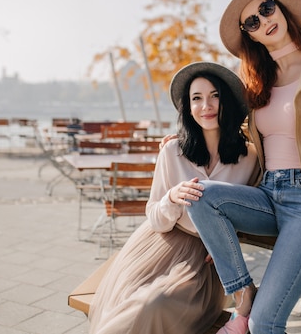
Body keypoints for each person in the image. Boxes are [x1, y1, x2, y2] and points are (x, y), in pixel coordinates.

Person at [185, 0, 301, 334]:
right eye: (253, 21)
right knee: (200, 195)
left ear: (280, 9)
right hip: (268, 193)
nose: (265, 21)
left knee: (265, 323)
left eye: (267, 9)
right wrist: (176, 139)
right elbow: (224, 129)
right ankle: (242, 292)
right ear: (249, 35)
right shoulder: (253, 81)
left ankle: (253, 311)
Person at [87, 62, 258, 334]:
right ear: (188, 108)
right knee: (136, 306)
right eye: (197, 98)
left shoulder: (250, 158)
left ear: (227, 101)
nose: (207, 106)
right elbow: (154, 215)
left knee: (156, 305)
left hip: (204, 260)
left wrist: (228, 237)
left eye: (215, 96)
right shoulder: (173, 151)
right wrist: (172, 197)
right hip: (159, 246)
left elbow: (252, 209)